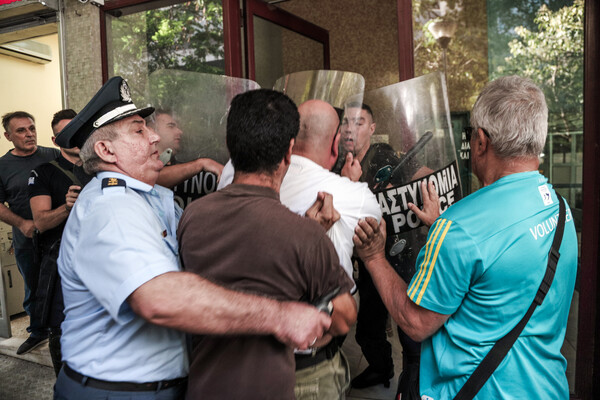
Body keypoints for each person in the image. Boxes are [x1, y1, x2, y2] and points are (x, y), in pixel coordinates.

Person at [53, 77, 333, 400]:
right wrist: (279, 316)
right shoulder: (112, 208)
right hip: (118, 391)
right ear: (105, 150)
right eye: (138, 130)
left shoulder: (150, 197)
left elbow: (211, 247)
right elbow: (158, 298)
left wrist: (301, 231)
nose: (155, 136)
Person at [353, 75, 577, 399]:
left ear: (482, 141)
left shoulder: (460, 227)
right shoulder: (560, 210)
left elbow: (415, 322)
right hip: (546, 388)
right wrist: (443, 229)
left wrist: (374, 257)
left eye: (471, 135)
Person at [178, 89, 356, 400]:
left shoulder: (192, 217)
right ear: (289, 151)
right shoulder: (304, 234)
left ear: (230, 146)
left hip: (204, 386)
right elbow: (342, 318)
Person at [217, 98, 379, 399]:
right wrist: (348, 185)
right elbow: (373, 233)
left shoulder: (231, 174)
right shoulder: (353, 196)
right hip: (306, 362)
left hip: (234, 352)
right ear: (335, 146)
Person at [339, 103, 436, 391]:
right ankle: (382, 370)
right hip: (368, 255)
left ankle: (413, 383)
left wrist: (434, 189)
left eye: (359, 122)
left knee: (409, 327)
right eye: (346, 122)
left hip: (403, 254)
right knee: (368, 328)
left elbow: (422, 174)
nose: (349, 128)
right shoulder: (339, 162)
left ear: (371, 129)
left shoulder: (382, 153)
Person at [28, 109, 89, 376]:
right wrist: (67, 207)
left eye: (77, 129)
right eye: (66, 133)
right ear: (55, 141)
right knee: (62, 328)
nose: (74, 136)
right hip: (62, 265)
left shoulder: (103, 165)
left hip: (100, 260)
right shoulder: (43, 173)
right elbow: (39, 223)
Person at [0, 111, 59, 355]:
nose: (29, 134)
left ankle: (60, 329)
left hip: (58, 232)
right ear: (8, 136)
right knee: (33, 284)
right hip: (26, 236)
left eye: (32, 128)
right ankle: (37, 332)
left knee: (61, 281)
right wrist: (22, 223)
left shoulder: (52, 155)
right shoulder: (2, 166)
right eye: (21, 131)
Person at [147, 109, 223, 208]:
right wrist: (201, 164)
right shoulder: (142, 170)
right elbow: (151, 179)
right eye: (171, 126)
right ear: (151, 130)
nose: (180, 131)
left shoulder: (185, 166)